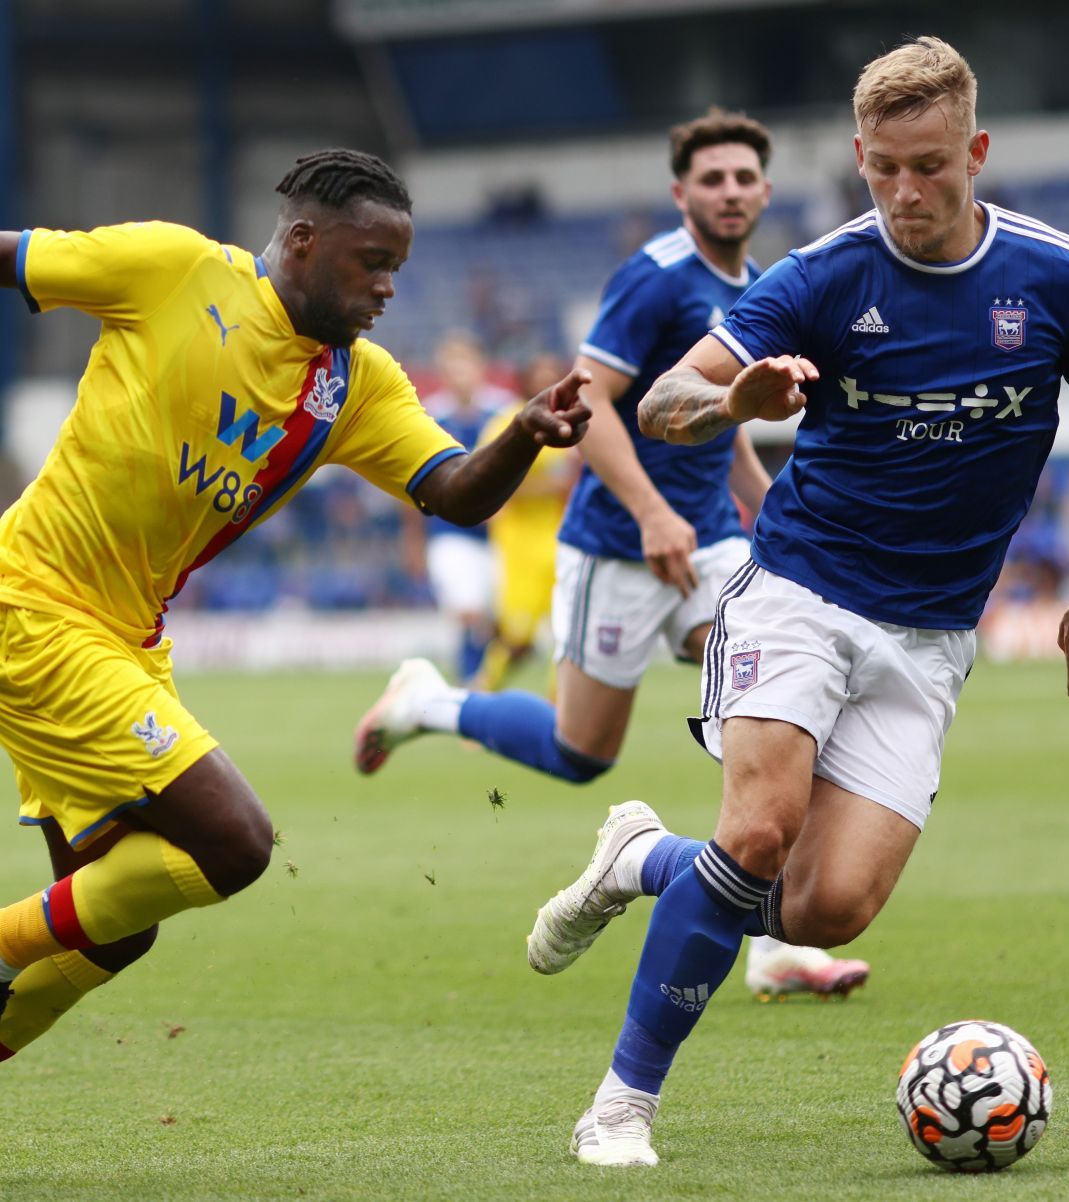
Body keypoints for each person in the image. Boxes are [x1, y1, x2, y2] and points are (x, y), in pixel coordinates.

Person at [0, 149, 592, 1185]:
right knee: (235, 840)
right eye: (371, 261)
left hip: (124, 640)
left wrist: (523, 435)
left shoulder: (352, 385)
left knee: (112, 925)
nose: (387, 287)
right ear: (303, 240)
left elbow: (450, 489)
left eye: (398, 267)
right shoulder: (176, 270)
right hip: (31, 611)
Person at [530, 38, 1069, 1166]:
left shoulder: (1060, 276)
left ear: (978, 151)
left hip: (933, 631)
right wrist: (735, 402)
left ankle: (642, 858)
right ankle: (621, 1103)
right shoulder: (822, 275)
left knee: (830, 909)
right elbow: (667, 398)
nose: (908, 195)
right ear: (860, 159)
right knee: (759, 832)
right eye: (884, 171)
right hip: (803, 589)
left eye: (931, 167)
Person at [352, 108, 870, 1001]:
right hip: (617, 549)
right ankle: (429, 703)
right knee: (581, 749)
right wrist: (650, 515)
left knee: (779, 707)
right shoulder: (657, 278)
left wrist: (771, 512)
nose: (731, 191)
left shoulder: (753, 285)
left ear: (766, 191)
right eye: (712, 179)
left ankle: (775, 942)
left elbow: (723, 433)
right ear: (682, 194)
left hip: (709, 546)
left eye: (745, 177)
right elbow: (586, 411)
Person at [404, 331, 521, 681]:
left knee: (503, 624)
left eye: (464, 364)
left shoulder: (505, 411)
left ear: (480, 367)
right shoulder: (429, 414)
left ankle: (479, 686)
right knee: (469, 611)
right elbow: (410, 478)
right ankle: (472, 686)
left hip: (505, 536)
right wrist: (413, 541)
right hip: (450, 532)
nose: (459, 374)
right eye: (450, 367)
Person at [470, 354, 579, 692]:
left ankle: (559, 711)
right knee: (518, 635)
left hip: (561, 537)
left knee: (566, 630)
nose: (545, 382)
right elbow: (483, 478)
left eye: (551, 375)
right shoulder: (506, 422)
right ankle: (482, 691)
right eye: (538, 375)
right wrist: (542, 487)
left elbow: (578, 477)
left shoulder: (573, 421)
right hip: (518, 543)